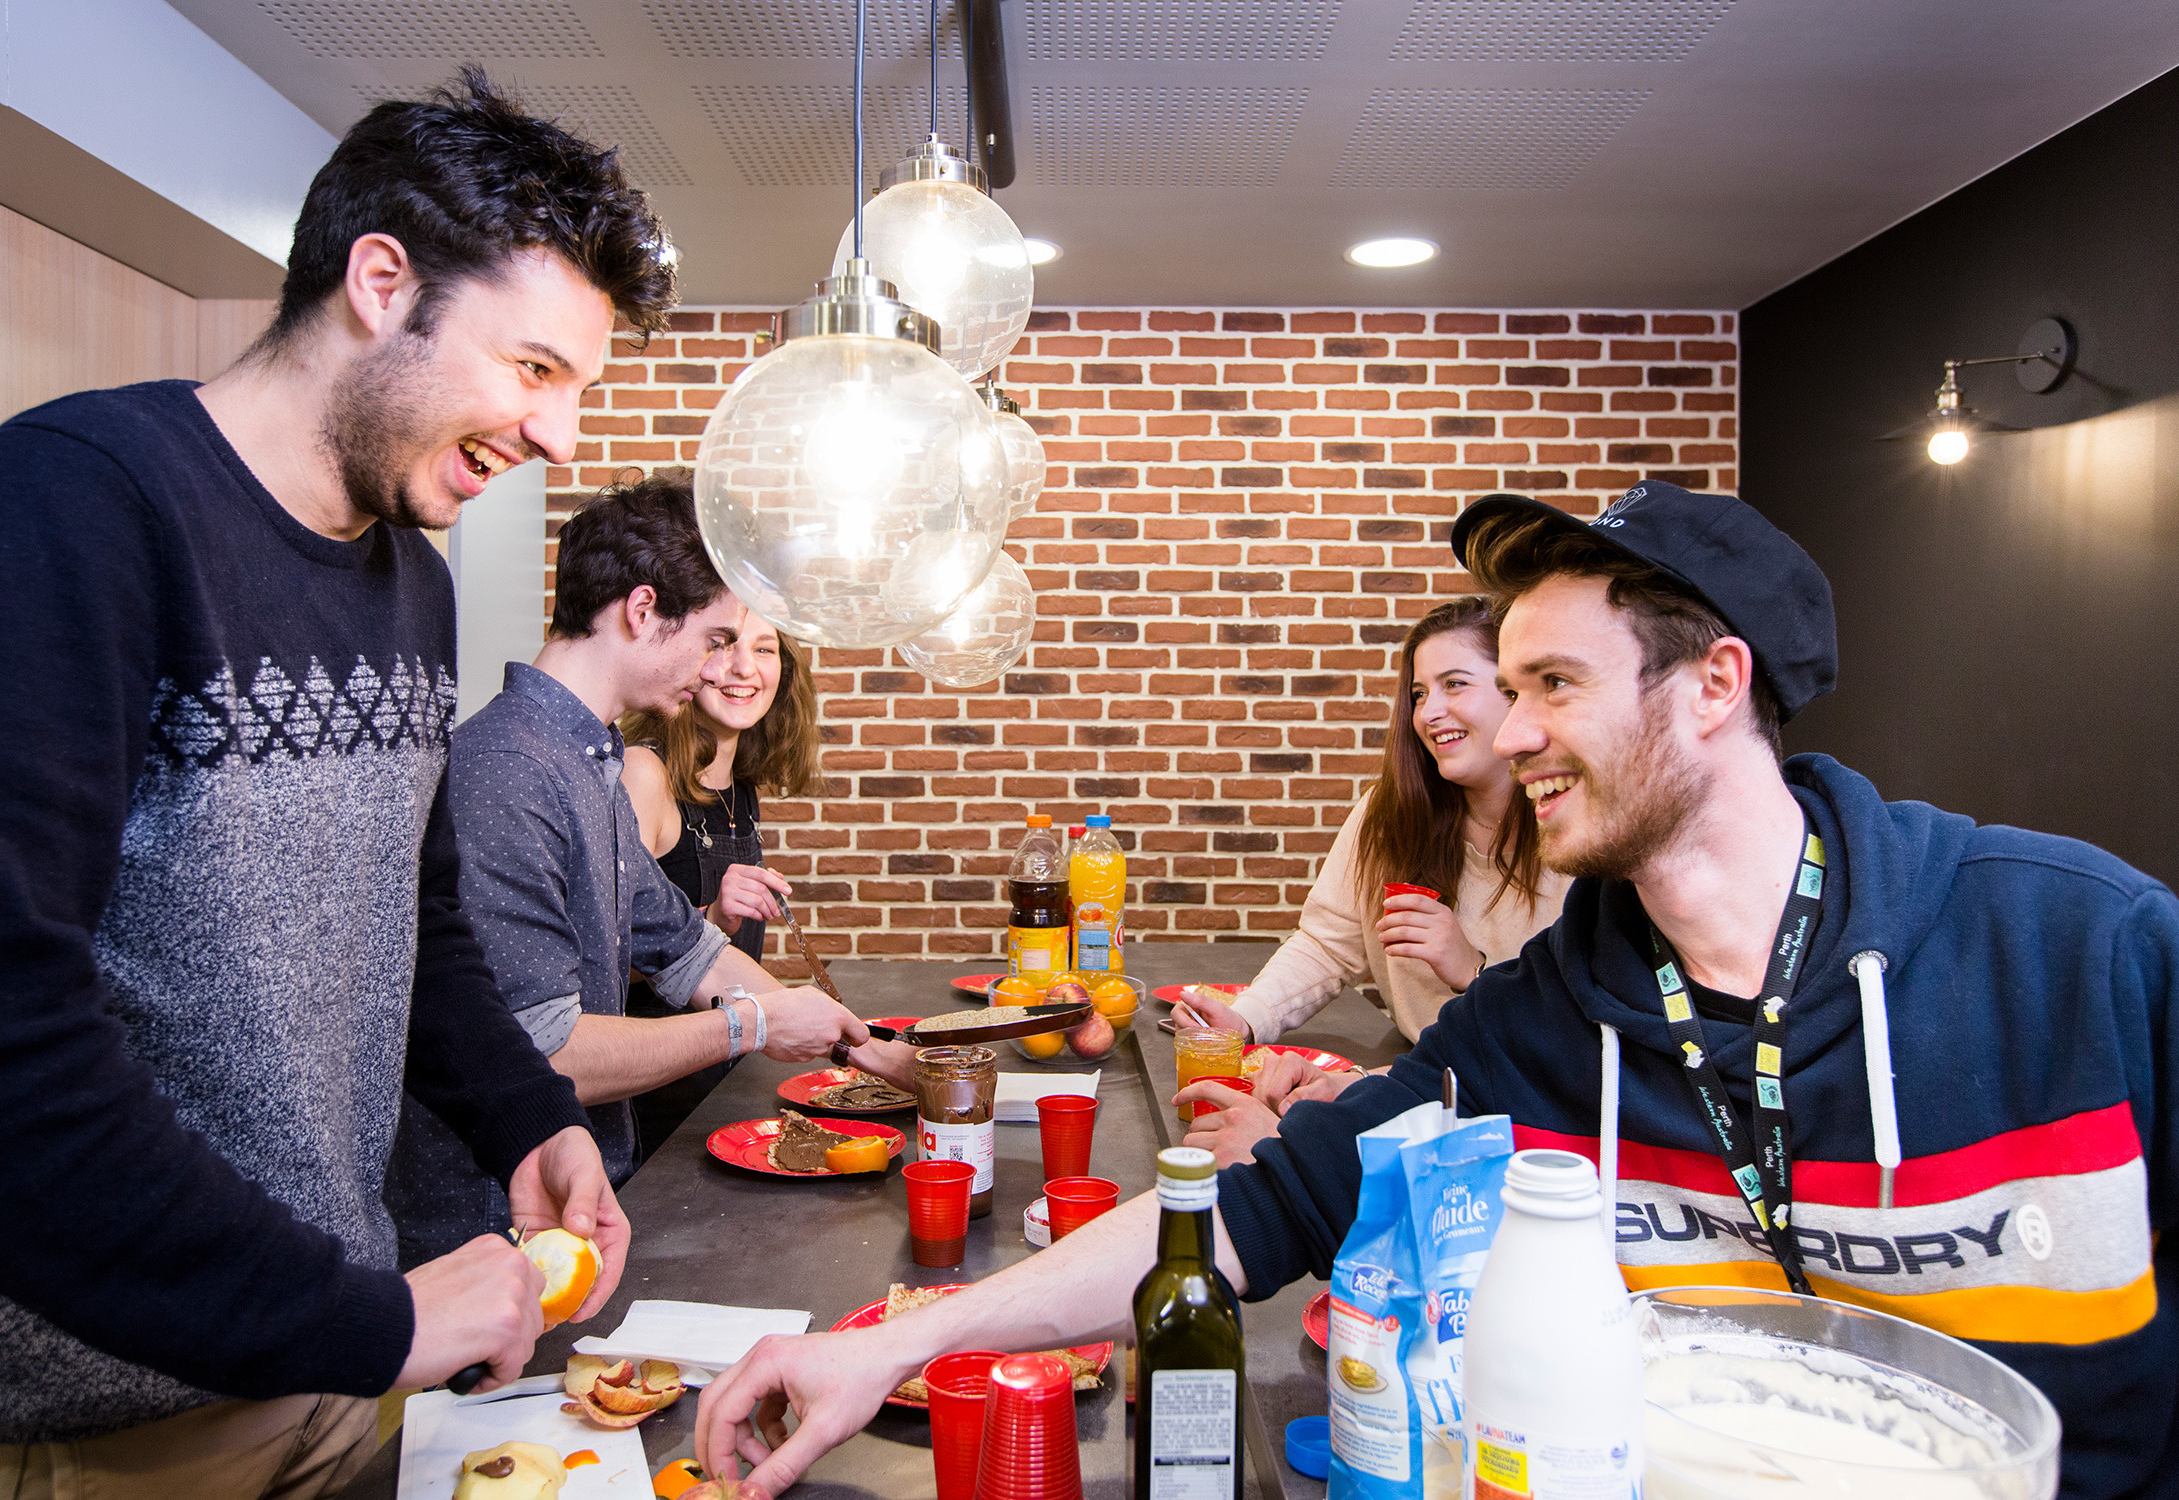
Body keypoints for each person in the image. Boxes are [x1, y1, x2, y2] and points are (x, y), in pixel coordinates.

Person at [693, 481, 2178, 1499]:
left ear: (1714, 686)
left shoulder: (2081, 951)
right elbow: (1253, 1209)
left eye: (1555, 686)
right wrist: (884, 1341)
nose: (1510, 731)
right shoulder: (1553, 1014)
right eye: (1503, 685)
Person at [0, 71, 666, 1495]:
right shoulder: (72, 506)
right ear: (382, 284)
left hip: (328, 1374)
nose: (560, 439)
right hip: (89, 1429)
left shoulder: (411, 585)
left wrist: (532, 1120)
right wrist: (366, 1312)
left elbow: (420, 921)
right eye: (534, 371)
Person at [385, 477, 887, 1266]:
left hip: (584, 1210)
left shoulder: (588, 760)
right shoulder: (509, 771)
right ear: (642, 611)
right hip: (496, 1236)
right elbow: (543, 1052)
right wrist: (752, 1025)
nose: (726, 665)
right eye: (717, 637)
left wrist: (857, 1044)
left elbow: (686, 949)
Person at [1176, 596, 1568, 1049]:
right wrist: (1245, 1019)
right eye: (1419, 693)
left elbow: (1581, 1032)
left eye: (1455, 684)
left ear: (1513, 692)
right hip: (1419, 1077)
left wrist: (1473, 971)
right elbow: (1326, 945)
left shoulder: (1572, 829)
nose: (1429, 712)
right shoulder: (1388, 812)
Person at [615, 606, 821, 1151]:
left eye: (763, 649)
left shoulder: (741, 787)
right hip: (650, 1106)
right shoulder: (644, 773)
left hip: (720, 1088)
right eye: (724, 643)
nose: (742, 668)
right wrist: (711, 918)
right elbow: (600, 964)